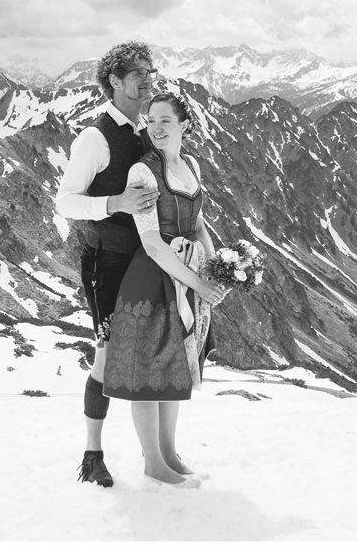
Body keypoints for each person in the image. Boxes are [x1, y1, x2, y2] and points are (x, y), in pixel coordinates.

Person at [103, 92, 228, 488]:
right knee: (148, 373)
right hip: (153, 278)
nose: (155, 128)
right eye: (151, 120)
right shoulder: (143, 172)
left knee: (174, 368)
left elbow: (200, 222)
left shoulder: (190, 164)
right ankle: (153, 462)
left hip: (188, 271)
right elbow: (153, 243)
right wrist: (197, 283)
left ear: (184, 126)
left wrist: (215, 267)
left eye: (165, 121)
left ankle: (170, 454)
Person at [55, 40, 160, 487]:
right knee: (106, 356)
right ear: (115, 81)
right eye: (139, 74)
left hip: (144, 259)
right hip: (109, 262)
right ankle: (92, 454)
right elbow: (65, 202)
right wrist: (115, 201)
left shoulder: (146, 129)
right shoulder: (95, 138)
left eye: (151, 73)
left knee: (148, 352)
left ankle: (155, 455)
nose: (148, 81)